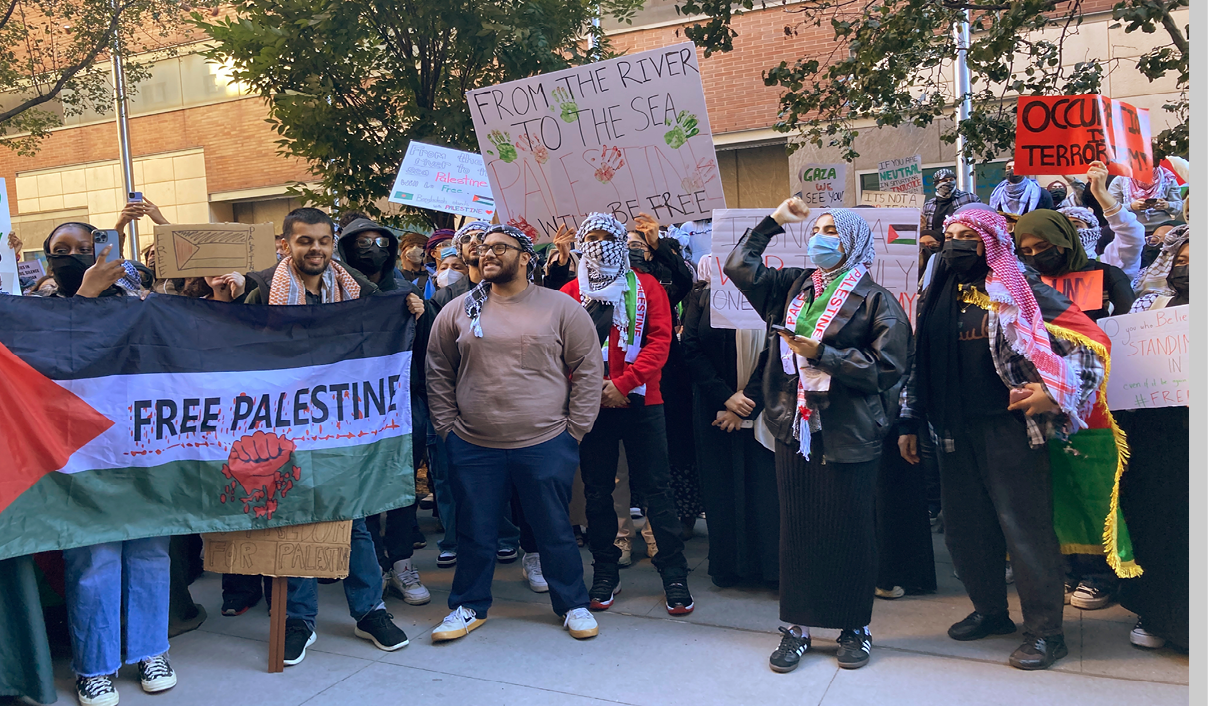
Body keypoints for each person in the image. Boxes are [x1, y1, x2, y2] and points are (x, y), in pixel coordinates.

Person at [899, 207, 1107, 671]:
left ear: (990, 239)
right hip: (951, 427)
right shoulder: (935, 292)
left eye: (966, 235)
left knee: (1024, 531)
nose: (955, 243)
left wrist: (1054, 391)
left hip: (1010, 429)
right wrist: (910, 420)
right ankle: (991, 612)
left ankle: (1045, 633)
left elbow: (1090, 342)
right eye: (949, 234)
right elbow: (919, 359)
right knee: (966, 531)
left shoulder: (1020, 286)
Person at [724, 199, 912, 672]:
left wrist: (824, 353)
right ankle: (797, 627)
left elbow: (889, 369)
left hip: (848, 432)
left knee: (849, 529)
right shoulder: (792, 287)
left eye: (832, 231)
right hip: (796, 428)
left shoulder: (876, 300)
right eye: (817, 228)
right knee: (798, 530)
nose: (820, 237)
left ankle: (855, 628)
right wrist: (773, 223)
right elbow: (738, 266)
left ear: (852, 243)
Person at [242, 207, 417, 664]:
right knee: (296, 517)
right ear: (286, 245)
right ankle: (299, 619)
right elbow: (234, 346)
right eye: (304, 241)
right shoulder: (261, 291)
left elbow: (396, 312)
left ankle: (369, 611)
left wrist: (415, 305)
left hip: (342, 422)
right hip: (283, 423)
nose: (315, 249)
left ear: (331, 242)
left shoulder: (359, 289)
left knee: (352, 516)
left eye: (322, 240)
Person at [425, 223, 604, 642]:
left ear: (526, 257)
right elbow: (437, 369)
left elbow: (589, 367)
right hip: (473, 443)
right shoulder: (459, 310)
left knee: (554, 528)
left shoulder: (560, 307)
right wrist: (448, 427)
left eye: (499, 248)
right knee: (475, 529)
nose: (486, 253)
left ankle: (572, 603)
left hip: (546, 442)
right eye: (482, 247)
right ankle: (468, 606)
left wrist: (574, 431)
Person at [559, 213, 696, 617]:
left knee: (658, 491)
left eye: (607, 236)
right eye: (592, 236)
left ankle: (674, 573)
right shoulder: (569, 293)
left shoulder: (647, 286)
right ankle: (605, 570)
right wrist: (593, 388)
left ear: (621, 242)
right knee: (598, 492)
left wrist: (624, 382)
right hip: (591, 405)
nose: (599, 243)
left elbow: (660, 340)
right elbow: (558, 349)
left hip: (642, 401)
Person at [335, 216, 432, 606]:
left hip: (402, 406)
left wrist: (423, 316)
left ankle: (402, 562)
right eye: (362, 242)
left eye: (379, 241)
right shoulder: (332, 293)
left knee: (403, 488)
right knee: (362, 490)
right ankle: (371, 562)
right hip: (351, 409)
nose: (371, 247)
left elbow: (429, 353)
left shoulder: (405, 291)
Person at [427, 220, 527, 569]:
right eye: (468, 240)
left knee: (500, 478)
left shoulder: (511, 293)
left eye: (484, 241)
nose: (476, 246)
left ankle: (505, 536)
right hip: (455, 407)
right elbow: (436, 360)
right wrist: (443, 418)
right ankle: (455, 539)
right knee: (451, 476)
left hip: (499, 404)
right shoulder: (443, 299)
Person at [681, 258, 779, 588]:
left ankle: (770, 568)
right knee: (721, 488)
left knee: (765, 491)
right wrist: (725, 397)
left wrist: (746, 403)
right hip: (714, 408)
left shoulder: (776, 295)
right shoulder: (702, 296)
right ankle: (728, 567)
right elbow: (691, 348)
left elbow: (778, 351)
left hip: (763, 407)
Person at [1117, 225, 1188, 650]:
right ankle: (1160, 613)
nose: (1187, 269)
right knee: (1161, 524)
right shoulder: (1153, 306)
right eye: (1180, 260)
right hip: (1161, 442)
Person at [43, 222, 141, 299]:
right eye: (61, 251)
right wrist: (87, 292)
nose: (72, 254)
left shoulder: (133, 301)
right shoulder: (36, 305)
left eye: (84, 250)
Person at [1108, 163, 1184, 230]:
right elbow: (1110, 209)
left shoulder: (1168, 179)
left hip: (1162, 227)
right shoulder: (1121, 180)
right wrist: (1131, 206)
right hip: (1130, 227)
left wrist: (1167, 205)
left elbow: (1180, 207)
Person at [989, 160, 1053, 216]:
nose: (1012, 170)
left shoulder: (1041, 193)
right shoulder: (997, 195)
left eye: (1016, 167)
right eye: (1009, 168)